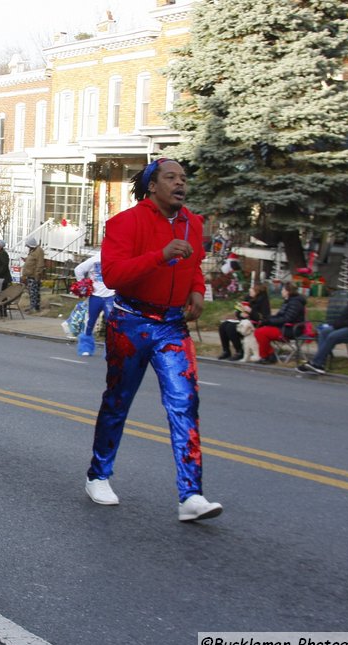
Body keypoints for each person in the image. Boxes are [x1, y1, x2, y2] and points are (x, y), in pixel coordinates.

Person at [85, 158, 223, 522]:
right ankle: (99, 475)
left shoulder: (193, 222)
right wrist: (160, 256)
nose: (180, 184)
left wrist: (197, 291)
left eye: (183, 178)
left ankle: (191, 495)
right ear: (152, 186)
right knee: (118, 401)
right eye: (171, 178)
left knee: (185, 402)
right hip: (130, 322)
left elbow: (194, 267)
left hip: (173, 326)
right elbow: (113, 275)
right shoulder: (125, 222)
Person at [297, 270, 348, 375]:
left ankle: (317, 363)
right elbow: (347, 313)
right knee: (324, 331)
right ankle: (320, 362)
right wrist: (337, 323)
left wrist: (341, 324)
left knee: (333, 336)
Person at [73, 250, 116, 356]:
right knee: (90, 322)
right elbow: (78, 270)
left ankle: (111, 350)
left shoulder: (115, 259)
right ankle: (85, 347)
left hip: (110, 296)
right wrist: (84, 285)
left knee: (112, 324)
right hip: (95, 296)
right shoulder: (94, 260)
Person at [253, 282, 306, 365]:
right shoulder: (288, 301)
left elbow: (288, 318)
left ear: (287, 291)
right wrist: (267, 319)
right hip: (285, 327)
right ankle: (270, 355)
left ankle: (266, 356)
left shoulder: (295, 303)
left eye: (283, 289)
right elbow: (280, 316)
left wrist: (270, 321)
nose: (281, 291)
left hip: (291, 329)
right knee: (260, 330)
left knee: (260, 332)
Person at [217, 282, 270, 361]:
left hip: (253, 324)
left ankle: (239, 351)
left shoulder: (263, 301)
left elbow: (263, 318)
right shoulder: (247, 298)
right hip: (243, 321)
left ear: (257, 292)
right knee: (223, 325)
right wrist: (240, 314)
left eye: (252, 289)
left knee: (231, 327)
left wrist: (251, 311)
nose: (250, 290)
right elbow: (238, 310)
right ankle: (226, 350)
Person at [21, 236, 44, 312]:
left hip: (34, 275)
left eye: (28, 245)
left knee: (34, 292)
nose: (28, 247)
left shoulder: (38, 251)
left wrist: (37, 274)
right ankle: (32, 306)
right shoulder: (32, 250)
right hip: (29, 275)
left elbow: (40, 263)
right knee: (31, 292)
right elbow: (32, 260)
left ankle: (35, 308)